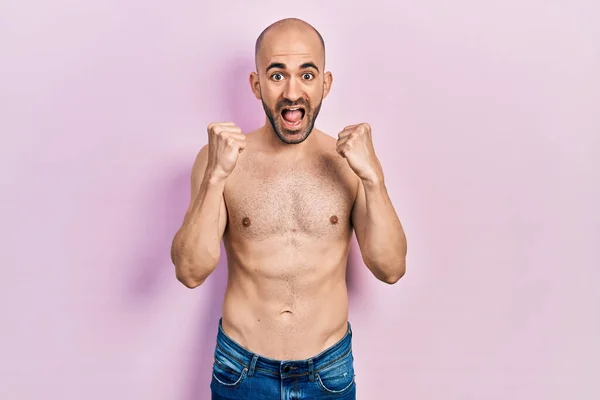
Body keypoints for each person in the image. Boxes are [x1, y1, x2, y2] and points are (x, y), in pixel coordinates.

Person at [170, 17, 407, 400]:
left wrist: (372, 179)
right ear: (256, 84)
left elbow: (391, 268)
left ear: (325, 84)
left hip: (328, 371)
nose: (292, 92)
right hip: (241, 369)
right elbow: (190, 271)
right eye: (277, 76)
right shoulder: (221, 161)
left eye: (307, 75)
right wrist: (215, 177)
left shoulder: (350, 162)